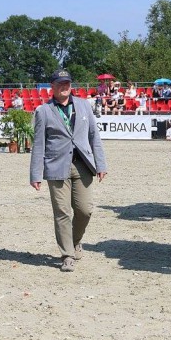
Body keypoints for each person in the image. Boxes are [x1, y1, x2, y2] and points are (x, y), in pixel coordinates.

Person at [29, 69, 107, 272]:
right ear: (52, 87)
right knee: (62, 212)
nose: (64, 87)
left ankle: (75, 240)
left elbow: (94, 136)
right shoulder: (43, 111)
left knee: (85, 210)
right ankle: (67, 255)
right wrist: (35, 174)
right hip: (56, 167)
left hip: (83, 165)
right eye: (60, 84)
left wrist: (101, 164)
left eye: (67, 83)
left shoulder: (84, 106)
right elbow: (39, 144)